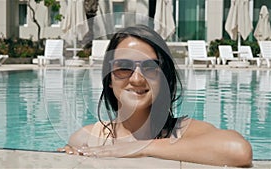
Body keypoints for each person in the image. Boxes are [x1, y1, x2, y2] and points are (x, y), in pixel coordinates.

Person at [58, 25, 252, 167]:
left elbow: (239, 150)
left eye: (150, 67)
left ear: (164, 79)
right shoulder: (86, 137)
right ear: (109, 78)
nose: (137, 79)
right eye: (123, 67)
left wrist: (142, 147)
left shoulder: (182, 131)